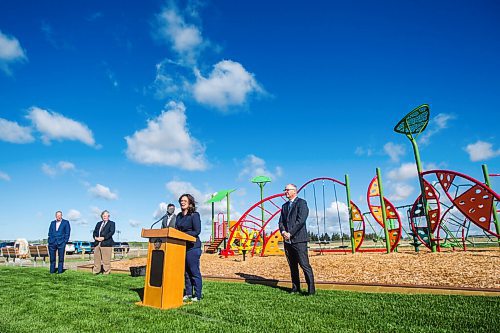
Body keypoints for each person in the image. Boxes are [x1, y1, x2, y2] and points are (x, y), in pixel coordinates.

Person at [278, 183, 315, 295]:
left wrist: (290, 233)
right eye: (285, 190)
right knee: (292, 265)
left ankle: (311, 290)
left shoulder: (301, 203)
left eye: (288, 190)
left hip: (299, 240)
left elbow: (301, 220)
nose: (286, 192)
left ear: (295, 191)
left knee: (304, 265)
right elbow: (281, 222)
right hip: (287, 241)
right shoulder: (284, 206)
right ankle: (295, 288)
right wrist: (283, 232)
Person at [175, 194, 202, 301]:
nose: (182, 202)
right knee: (186, 272)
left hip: (193, 247)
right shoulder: (178, 216)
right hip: (182, 247)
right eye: (181, 200)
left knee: (194, 271)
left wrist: (183, 235)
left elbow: (197, 231)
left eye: (185, 200)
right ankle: (189, 293)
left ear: (190, 203)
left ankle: (198, 295)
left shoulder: (194, 215)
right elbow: (176, 230)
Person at [92, 210, 116, 275]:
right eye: (104, 216)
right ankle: (96, 271)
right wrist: (95, 237)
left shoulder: (112, 223)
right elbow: (94, 232)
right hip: (97, 243)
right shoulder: (98, 223)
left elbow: (111, 232)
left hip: (106, 243)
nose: (105, 217)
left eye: (106, 216)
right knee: (97, 259)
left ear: (108, 216)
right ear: (102, 216)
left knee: (106, 259)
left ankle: (106, 272)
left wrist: (103, 238)